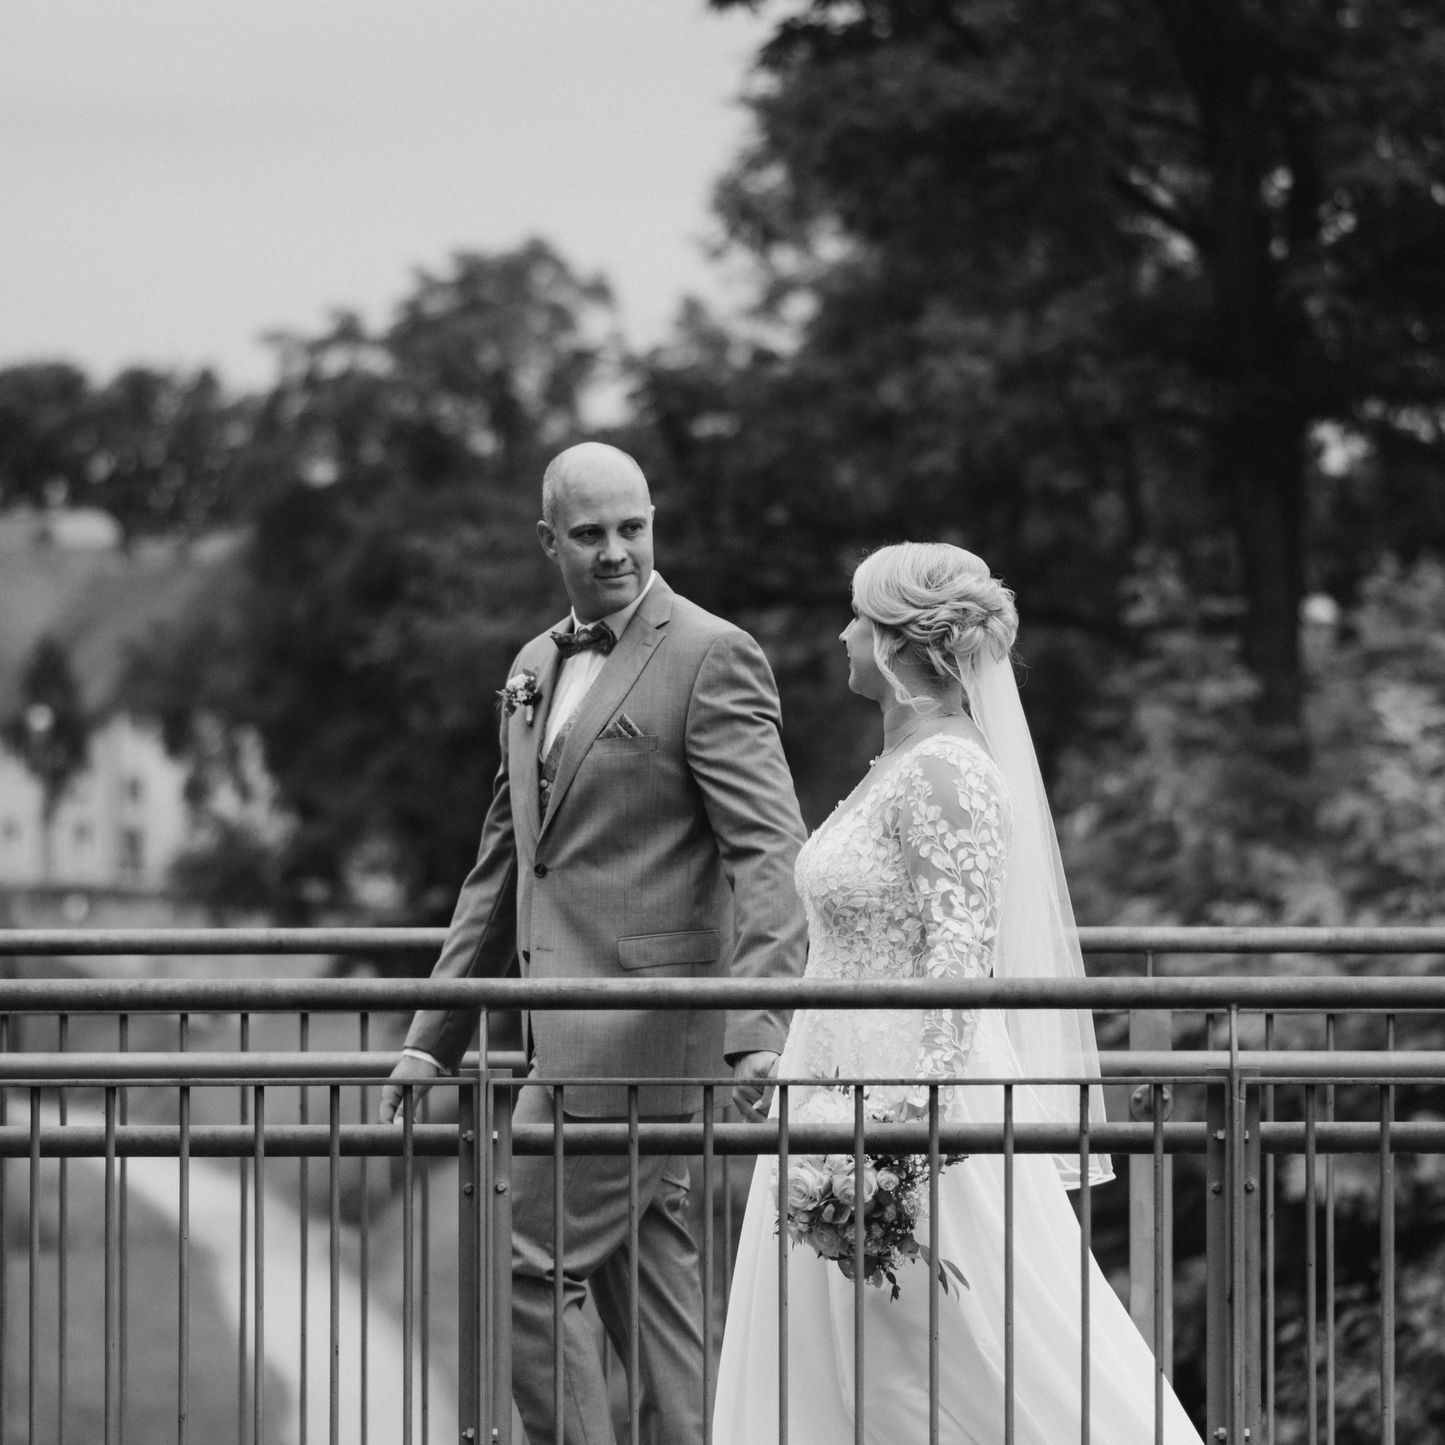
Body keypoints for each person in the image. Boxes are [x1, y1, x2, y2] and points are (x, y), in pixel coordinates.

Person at [708, 542, 1194, 1445]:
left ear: (896, 648)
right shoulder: (897, 766)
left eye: (858, 619)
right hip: (829, 1094)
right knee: (861, 1364)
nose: (843, 634)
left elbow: (960, 959)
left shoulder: (947, 773)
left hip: (908, 1117)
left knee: (969, 1356)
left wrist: (899, 1128)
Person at [379, 441, 809, 1445]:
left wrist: (756, 1021)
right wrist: (429, 1038)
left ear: (652, 523)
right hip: (558, 1031)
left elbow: (768, 851)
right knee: (648, 1287)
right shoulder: (531, 667)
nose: (616, 551)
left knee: (529, 1266)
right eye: (590, 533)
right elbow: (503, 869)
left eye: (632, 527)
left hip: (647, 1034)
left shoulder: (710, 653)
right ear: (549, 542)